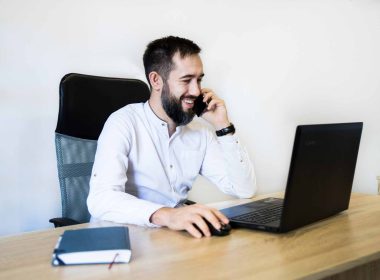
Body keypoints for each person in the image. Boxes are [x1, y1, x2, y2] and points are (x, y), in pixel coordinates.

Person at [87, 36, 256, 238]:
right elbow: (101, 199)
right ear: (156, 80)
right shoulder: (122, 122)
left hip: (174, 238)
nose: (196, 90)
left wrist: (223, 126)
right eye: (186, 80)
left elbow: (244, 189)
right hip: (123, 240)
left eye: (199, 80)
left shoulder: (200, 132)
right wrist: (168, 216)